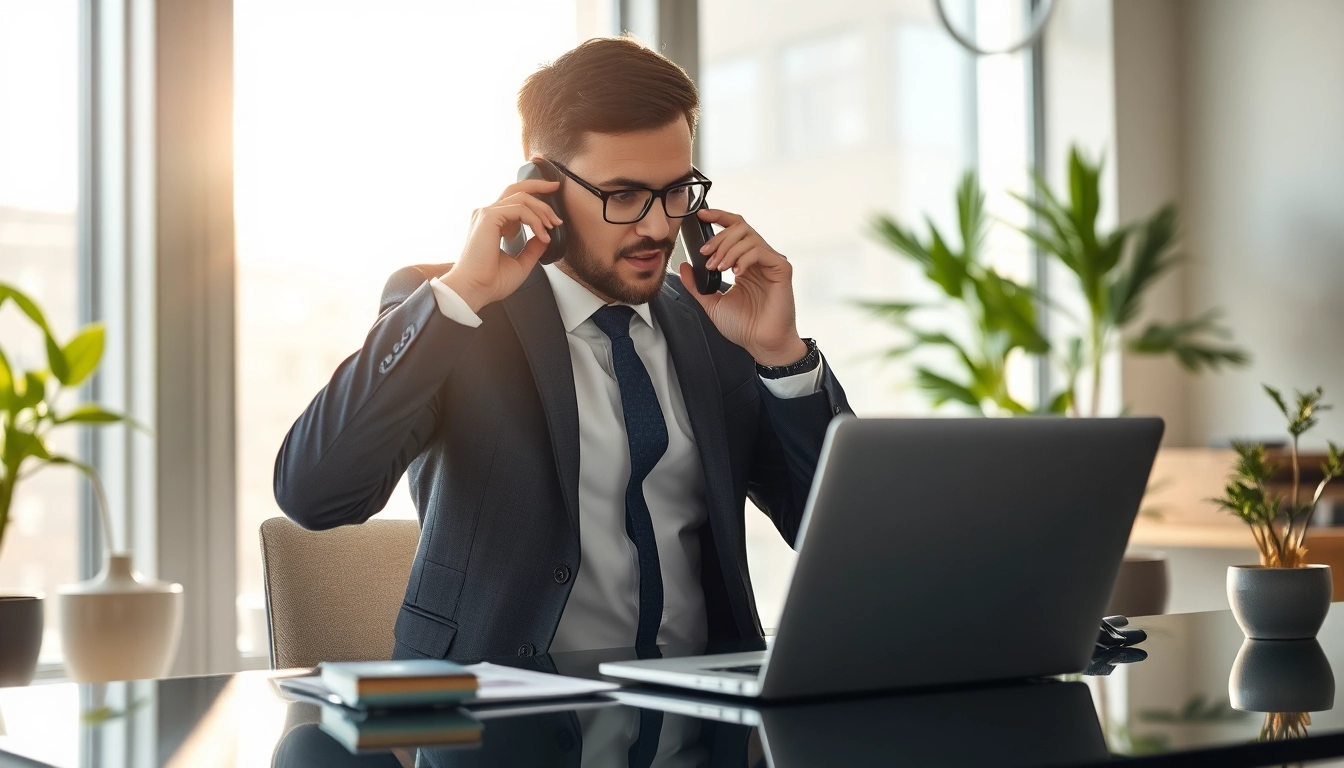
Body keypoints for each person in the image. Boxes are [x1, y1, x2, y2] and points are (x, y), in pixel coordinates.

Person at [273, 36, 850, 662]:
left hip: (705, 720)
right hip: (506, 723)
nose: (658, 226)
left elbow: (843, 540)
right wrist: (462, 293)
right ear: (542, 185)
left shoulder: (719, 325)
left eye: (677, 191)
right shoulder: (455, 315)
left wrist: (781, 356)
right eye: (624, 196)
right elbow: (317, 494)